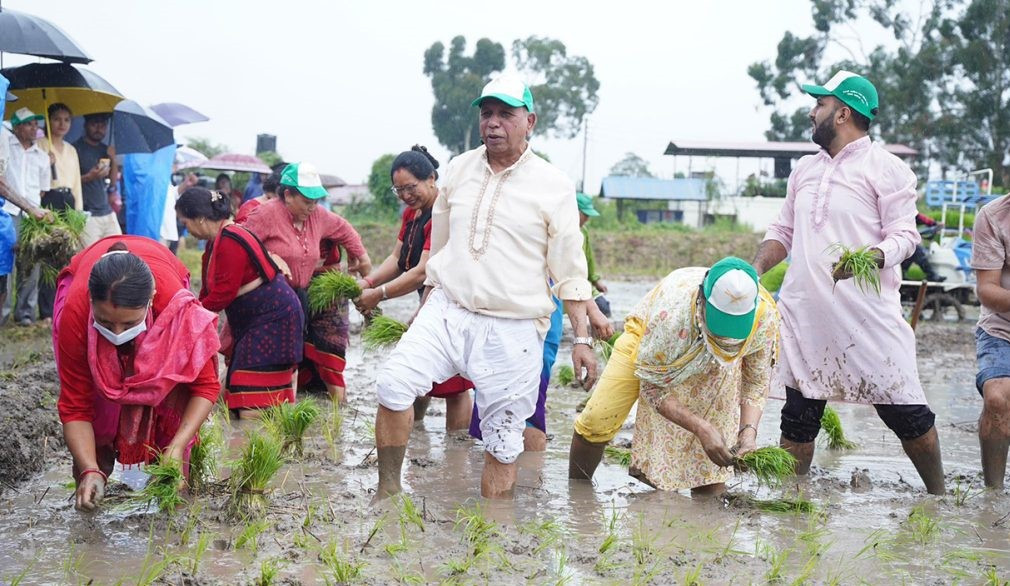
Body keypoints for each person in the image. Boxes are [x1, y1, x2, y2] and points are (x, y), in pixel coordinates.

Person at [373, 74, 612, 500]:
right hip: (449, 310)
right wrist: (426, 303)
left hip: (513, 326)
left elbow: (571, 271)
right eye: (487, 114)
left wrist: (582, 338)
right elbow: (441, 250)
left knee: (503, 443)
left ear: (530, 121)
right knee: (393, 386)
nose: (494, 123)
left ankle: (494, 532)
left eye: (506, 114)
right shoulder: (458, 169)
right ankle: (387, 494)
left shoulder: (553, 184)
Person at [750, 70, 945, 495]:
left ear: (842, 113)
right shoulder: (803, 170)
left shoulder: (888, 169)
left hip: (866, 319)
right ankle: (791, 507)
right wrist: (755, 270)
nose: (811, 112)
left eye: (818, 105)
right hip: (805, 317)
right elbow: (782, 231)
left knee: (907, 413)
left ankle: (940, 496)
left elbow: (906, 236)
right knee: (798, 420)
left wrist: (872, 257)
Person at [569, 258, 778, 495]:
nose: (726, 332)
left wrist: (748, 433)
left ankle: (705, 521)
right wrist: (700, 427)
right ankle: (578, 498)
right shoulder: (671, 314)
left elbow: (755, 381)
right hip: (654, 341)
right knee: (598, 418)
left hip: (722, 362)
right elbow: (652, 389)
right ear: (702, 300)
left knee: (711, 455)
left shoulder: (764, 316)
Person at [54, 236, 221, 511]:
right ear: (91, 302)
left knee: (171, 412)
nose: (118, 334)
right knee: (100, 422)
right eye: (106, 322)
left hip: (165, 286)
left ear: (150, 300)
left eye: (129, 323)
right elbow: (75, 406)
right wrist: (88, 469)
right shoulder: (77, 310)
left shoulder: (175, 307)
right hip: (85, 290)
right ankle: (92, 482)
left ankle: (171, 503)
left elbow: (204, 387)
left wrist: (177, 446)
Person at [353, 146, 474, 432]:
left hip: (452, 301)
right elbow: (397, 259)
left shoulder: (442, 213)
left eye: (410, 187)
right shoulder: (413, 214)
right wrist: (368, 283)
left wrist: (378, 294)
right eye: (399, 190)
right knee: (419, 372)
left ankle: (455, 449)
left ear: (431, 178)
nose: (406, 195)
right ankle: (417, 432)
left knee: (455, 386)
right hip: (428, 300)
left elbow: (422, 271)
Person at [242, 162, 372, 403]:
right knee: (278, 359)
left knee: (314, 349)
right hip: (271, 301)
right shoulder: (266, 214)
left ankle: (334, 408)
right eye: (307, 201)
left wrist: (361, 257)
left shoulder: (318, 215)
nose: (312, 207)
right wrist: (269, 257)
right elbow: (239, 244)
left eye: (316, 200)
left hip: (300, 294)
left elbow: (345, 230)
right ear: (288, 195)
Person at [177, 187, 304, 417]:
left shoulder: (230, 240)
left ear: (202, 218)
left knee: (249, 405)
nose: (186, 231)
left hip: (273, 320)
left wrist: (188, 318)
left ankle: (260, 445)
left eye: (186, 223)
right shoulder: (216, 242)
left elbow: (222, 294)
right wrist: (191, 311)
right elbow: (208, 290)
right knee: (236, 392)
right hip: (259, 320)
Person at [970, 194, 1010, 489]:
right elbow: (986, 290)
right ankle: (993, 494)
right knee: (997, 397)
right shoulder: (994, 215)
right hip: (1002, 328)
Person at [37, 103, 83, 325]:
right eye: (56, 119)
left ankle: (62, 304)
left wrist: (78, 214)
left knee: (66, 256)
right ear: (48, 121)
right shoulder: (40, 146)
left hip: (68, 200)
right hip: (49, 199)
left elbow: (76, 184)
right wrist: (45, 164)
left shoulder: (71, 149)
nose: (61, 124)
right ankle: (45, 310)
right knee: (48, 254)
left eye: (66, 120)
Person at [4, 107, 52, 326]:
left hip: (33, 215)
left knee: (31, 264)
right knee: (6, 264)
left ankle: (25, 313)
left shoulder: (42, 156)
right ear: (16, 126)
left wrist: (33, 208)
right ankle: (3, 313)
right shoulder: (6, 146)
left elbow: (43, 190)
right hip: (8, 211)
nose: (34, 128)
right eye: (28, 123)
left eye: (36, 124)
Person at [74, 113, 121, 247]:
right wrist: (89, 177)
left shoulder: (105, 150)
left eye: (103, 125)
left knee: (119, 252)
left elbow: (112, 182)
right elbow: (70, 181)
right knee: (91, 257)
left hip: (106, 210)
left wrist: (113, 160)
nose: (99, 129)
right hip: (87, 213)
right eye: (94, 124)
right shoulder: (75, 149)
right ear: (85, 125)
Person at [577, 192, 611, 317]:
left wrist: (595, 281)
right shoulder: (561, 231)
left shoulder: (583, 232)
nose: (587, 219)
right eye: (585, 215)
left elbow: (588, 259)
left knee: (604, 308)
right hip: (568, 285)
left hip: (583, 284)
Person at [901, 212, 945, 282]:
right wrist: (934, 223)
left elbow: (918, 218)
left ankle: (901, 274)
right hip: (897, 238)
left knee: (911, 253)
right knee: (916, 250)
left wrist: (933, 223)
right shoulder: (904, 208)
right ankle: (932, 274)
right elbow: (918, 217)